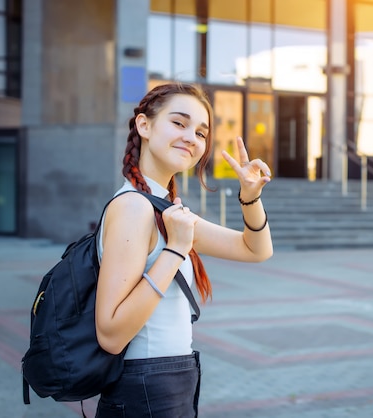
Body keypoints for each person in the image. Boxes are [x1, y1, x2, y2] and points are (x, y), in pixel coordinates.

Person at [94, 82, 273, 417]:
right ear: (144, 125)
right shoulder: (133, 207)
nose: (192, 137)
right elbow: (111, 334)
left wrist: (250, 195)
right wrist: (175, 250)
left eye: (201, 132)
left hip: (171, 382)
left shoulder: (165, 211)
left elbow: (255, 250)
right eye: (179, 123)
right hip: (144, 390)